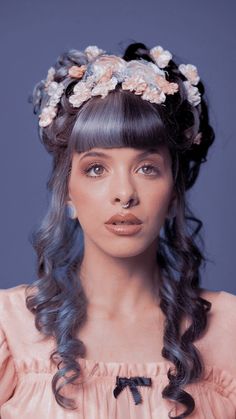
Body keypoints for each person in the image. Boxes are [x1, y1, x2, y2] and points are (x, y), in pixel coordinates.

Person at [0, 41, 235, 419]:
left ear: (173, 191)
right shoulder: (9, 331)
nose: (124, 194)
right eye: (96, 168)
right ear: (68, 193)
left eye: (147, 168)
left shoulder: (230, 333)